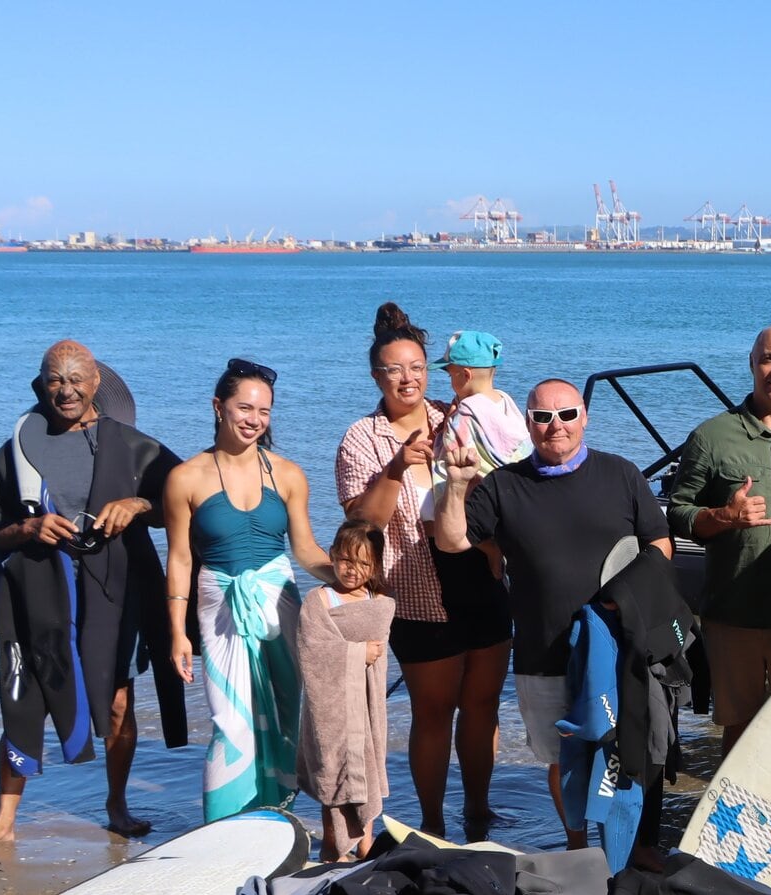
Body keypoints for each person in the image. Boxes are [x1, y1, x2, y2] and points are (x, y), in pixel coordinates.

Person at [433, 378, 673, 852]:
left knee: (627, 752)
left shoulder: (622, 474)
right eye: (542, 417)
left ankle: (630, 852)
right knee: (563, 759)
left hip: (619, 647)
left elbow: (660, 545)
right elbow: (451, 540)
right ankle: (577, 849)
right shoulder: (503, 485)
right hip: (543, 653)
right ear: (528, 424)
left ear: (585, 417)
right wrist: (456, 487)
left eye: (566, 415)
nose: (555, 426)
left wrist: (623, 599)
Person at [0, 341, 183, 848]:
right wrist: (29, 528)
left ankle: (117, 804)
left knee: (118, 702)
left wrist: (139, 502)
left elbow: (186, 498)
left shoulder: (130, 445)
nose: (66, 390)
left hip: (116, 587)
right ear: (41, 383)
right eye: (55, 379)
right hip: (40, 591)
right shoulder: (18, 449)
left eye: (76, 378)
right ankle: (4, 819)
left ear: (96, 383)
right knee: (25, 694)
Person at [336, 303, 511, 838]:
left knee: (482, 707)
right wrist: (396, 467)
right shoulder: (361, 439)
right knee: (433, 713)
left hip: (481, 578)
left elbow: (508, 462)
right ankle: (433, 823)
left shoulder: (455, 414)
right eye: (394, 370)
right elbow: (363, 524)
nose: (407, 379)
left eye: (416, 367)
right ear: (376, 377)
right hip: (416, 591)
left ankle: (478, 813)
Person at [165, 358, 334, 820]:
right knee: (230, 721)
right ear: (218, 407)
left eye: (264, 411)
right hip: (218, 600)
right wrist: (177, 633)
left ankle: (276, 814)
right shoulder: (186, 478)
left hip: (279, 598)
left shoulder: (288, 474)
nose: (254, 420)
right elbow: (180, 559)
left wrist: (351, 577)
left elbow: (305, 550)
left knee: (283, 714)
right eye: (244, 408)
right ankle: (224, 825)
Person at [665, 324, 771, 753]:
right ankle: (736, 820)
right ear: (752, 364)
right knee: (740, 734)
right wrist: (723, 516)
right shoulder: (711, 436)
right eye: (769, 359)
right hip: (733, 616)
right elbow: (679, 514)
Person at [296, 520, 395, 862]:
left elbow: (379, 646)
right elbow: (312, 651)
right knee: (334, 772)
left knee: (365, 770)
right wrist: (357, 653)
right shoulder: (319, 600)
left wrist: (366, 654)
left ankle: (366, 848)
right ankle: (333, 849)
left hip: (367, 707)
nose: (353, 571)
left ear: (376, 566)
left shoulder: (380, 601)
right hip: (331, 710)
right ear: (334, 556)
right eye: (346, 561)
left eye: (364, 564)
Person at [433, 329, 532, 475]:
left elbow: (450, 446)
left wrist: (449, 421)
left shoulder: (467, 410)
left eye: (451, 376)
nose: (451, 383)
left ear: (466, 375)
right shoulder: (505, 400)